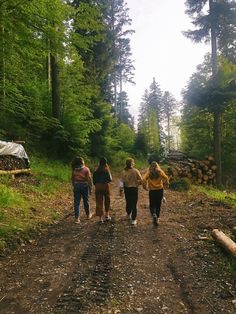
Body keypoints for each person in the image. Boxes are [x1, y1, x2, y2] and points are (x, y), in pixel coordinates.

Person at [142, 161, 169, 226]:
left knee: (152, 204)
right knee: (158, 204)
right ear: (157, 166)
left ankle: (154, 214)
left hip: (152, 191)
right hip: (160, 190)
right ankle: (158, 217)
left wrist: (144, 187)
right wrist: (167, 185)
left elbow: (143, 179)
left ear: (151, 166)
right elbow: (166, 178)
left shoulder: (149, 172)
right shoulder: (160, 172)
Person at [120, 158, 143, 226]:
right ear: (132, 163)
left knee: (128, 202)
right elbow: (141, 180)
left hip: (127, 189)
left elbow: (121, 182)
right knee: (134, 204)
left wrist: (121, 190)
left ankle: (128, 214)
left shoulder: (124, 171)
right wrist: (137, 184)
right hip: (134, 189)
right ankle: (133, 219)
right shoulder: (136, 171)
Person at [71, 157, 92, 224]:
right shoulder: (86, 169)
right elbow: (89, 179)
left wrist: (74, 186)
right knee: (86, 200)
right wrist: (90, 187)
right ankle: (88, 215)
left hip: (77, 185)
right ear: (81, 162)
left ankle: (77, 219)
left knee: (76, 202)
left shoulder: (74, 170)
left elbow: (72, 179)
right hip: (84, 185)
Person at [93, 157, 112, 223]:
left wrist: (97, 184)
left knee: (99, 202)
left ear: (99, 163)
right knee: (107, 200)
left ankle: (100, 219)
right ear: (105, 163)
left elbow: (94, 181)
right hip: (105, 186)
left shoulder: (96, 170)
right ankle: (107, 215)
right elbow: (110, 179)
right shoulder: (106, 170)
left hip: (98, 186)